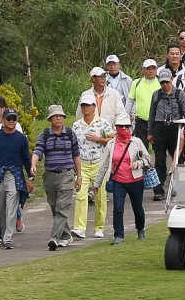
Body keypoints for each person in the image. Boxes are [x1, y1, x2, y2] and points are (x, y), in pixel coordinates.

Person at [33, 105, 82, 251]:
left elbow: (76, 155)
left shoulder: (70, 134)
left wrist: (79, 176)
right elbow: (38, 151)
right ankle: (66, 235)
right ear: (50, 119)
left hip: (67, 174)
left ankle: (54, 238)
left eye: (60, 116)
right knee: (54, 206)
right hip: (50, 175)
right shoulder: (45, 134)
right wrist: (33, 165)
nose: (58, 118)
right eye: (55, 116)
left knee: (63, 207)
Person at [0, 110, 32, 248]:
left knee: (11, 207)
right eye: (9, 118)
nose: (11, 121)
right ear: (3, 120)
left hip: (14, 175)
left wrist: (31, 177)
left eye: (14, 119)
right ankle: (5, 233)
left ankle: (8, 237)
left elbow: (26, 158)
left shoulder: (21, 138)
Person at [100, 119, 153, 244]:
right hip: (119, 181)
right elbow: (104, 164)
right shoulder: (111, 144)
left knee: (137, 208)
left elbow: (148, 159)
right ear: (117, 128)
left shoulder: (137, 142)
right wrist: (97, 184)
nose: (125, 129)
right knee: (118, 209)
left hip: (136, 180)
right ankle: (119, 235)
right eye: (121, 126)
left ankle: (141, 229)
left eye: (127, 126)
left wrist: (138, 163)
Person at [72, 88, 113, 240]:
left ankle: (99, 227)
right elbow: (73, 146)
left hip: (99, 164)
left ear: (94, 107)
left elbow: (112, 140)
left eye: (88, 105)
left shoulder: (102, 123)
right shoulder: (76, 125)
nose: (86, 108)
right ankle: (79, 227)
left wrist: (98, 139)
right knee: (81, 196)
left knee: (100, 196)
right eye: (83, 105)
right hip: (82, 165)